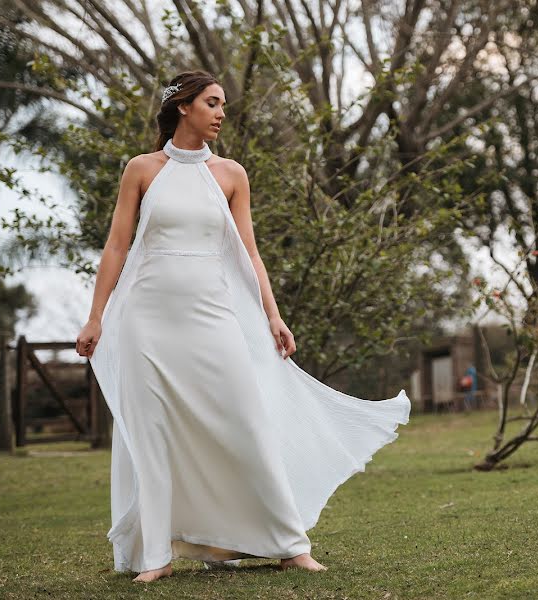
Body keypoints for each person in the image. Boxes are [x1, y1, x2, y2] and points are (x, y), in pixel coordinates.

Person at [76, 70, 411, 583]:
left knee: (245, 420)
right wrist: (97, 316)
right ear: (183, 106)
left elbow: (249, 251)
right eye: (212, 102)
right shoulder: (142, 169)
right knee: (153, 433)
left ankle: (290, 545)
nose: (220, 113)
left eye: (223, 105)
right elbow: (117, 246)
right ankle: (157, 557)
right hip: (148, 317)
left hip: (213, 314)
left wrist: (273, 315)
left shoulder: (232, 174)